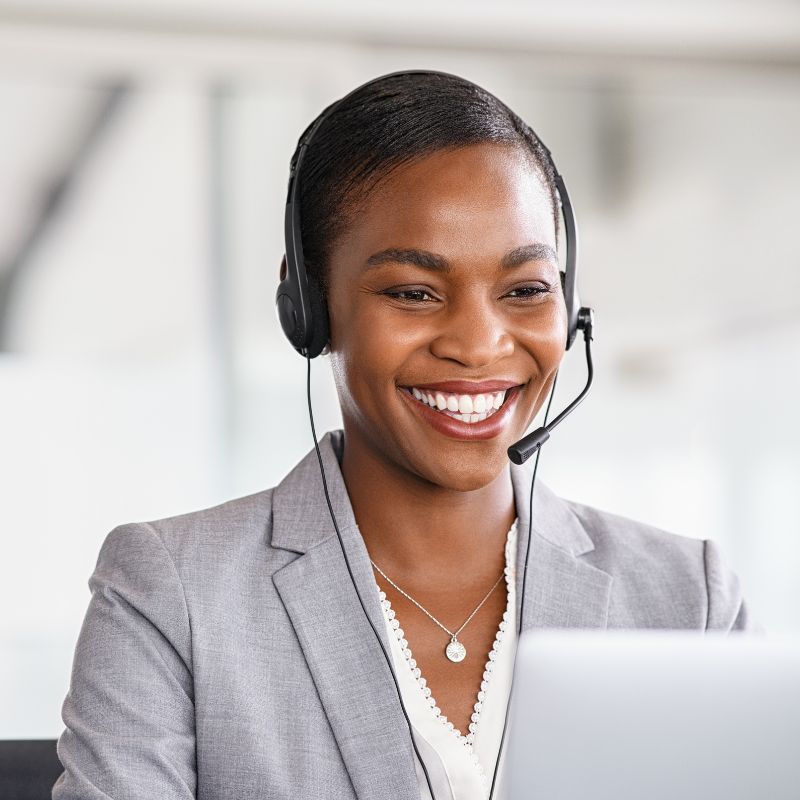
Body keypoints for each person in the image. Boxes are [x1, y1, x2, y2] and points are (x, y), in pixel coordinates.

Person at [53, 71, 757, 800]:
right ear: (309, 308)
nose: (479, 346)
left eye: (525, 290)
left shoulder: (687, 600)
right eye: (413, 293)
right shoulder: (175, 592)